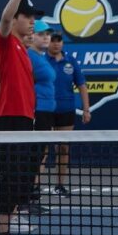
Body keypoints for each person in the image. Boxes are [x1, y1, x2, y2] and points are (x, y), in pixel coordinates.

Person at [0, 0, 42, 235]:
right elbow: (5, 18)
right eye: (29, 17)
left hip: (25, 121)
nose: (33, 22)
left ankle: (7, 231)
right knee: (9, 178)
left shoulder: (24, 49)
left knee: (20, 176)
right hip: (11, 119)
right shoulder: (7, 43)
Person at [47, 31, 91, 196]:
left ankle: (59, 185)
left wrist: (86, 109)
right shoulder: (43, 61)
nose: (56, 44)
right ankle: (34, 188)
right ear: (48, 42)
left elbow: (82, 85)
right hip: (46, 111)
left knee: (63, 148)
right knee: (43, 149)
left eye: (59, 41)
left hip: (67, 111)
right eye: (53, 40)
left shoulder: (71, 62)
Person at [25, 19, 57, 212]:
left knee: (40, 156)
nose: (46, 37)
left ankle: (32, 197)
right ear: (32, 36)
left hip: (47, 112)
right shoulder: (29, 56)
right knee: (33, 156)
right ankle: (27, 199)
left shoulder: (42, 57)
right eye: (41, 34)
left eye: (48, 34)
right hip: (38, 111)